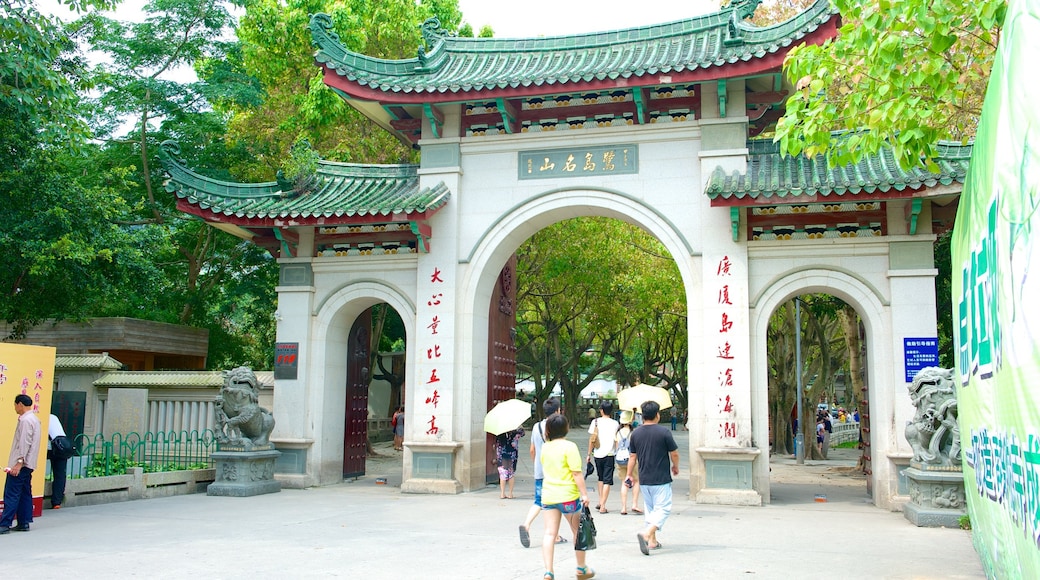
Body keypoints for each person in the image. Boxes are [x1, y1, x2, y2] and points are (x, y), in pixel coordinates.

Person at [539, 414, 594, 580]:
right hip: (568, 496)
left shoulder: (545, 447)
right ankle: (581, 568)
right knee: (578, 532)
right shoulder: (570, 447)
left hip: (549, 495)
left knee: (549, 533)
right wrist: (584, 494)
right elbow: (576, 473)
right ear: (566, 428)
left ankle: (548, 571)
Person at [623, 400, 678, 556]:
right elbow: (674, 453)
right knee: (664, 508)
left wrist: (629, 475)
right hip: (660, 477)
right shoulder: (664, 432)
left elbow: (632, 457)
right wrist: (675, 466)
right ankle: (647, 535)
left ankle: (653, 541)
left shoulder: (636, 433)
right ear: (657, 415)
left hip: (644, 477)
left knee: (651, 509)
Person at [519, 397, 566, 548]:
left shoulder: (536, 427)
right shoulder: (558, 425)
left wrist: (536, 464)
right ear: (558, 411)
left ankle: (526, 525)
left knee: (540, 501)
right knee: (555, 503)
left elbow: (532, 450)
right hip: (555, 472)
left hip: (540, 471)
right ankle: (555, 535)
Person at [1, 394, 43, 534]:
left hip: (21, 464)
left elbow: (24, 443)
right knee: (25, 493)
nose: (14, 407)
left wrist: (18, 463)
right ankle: (24, 522)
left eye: (15, 404)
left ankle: (5, 523)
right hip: (29, 463)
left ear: (20, 404)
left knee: (11, 493)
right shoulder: (34, 419)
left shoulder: (25, 420)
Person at [586, 400, 619, 514]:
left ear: (601, 410)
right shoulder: (615, 423)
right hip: (610, 454)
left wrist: (588, 454)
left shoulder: (595, 422)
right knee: (607, 480)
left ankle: (600, 501)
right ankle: (603, 505)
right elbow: (616, 440)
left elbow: (591, 440)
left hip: (597, 454)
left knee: (600, 478)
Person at [614, 410, 642, 516]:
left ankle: (623, 507)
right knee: (636, 481)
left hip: (620, 460)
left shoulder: (618, 433)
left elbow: (616, 447)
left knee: (624, 482)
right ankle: (634, 504)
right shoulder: (634, 432)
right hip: (631, 460)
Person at [48, 413, 72, 509]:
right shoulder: (53, 417)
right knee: (60, 475)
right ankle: (57, 502)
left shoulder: (42, 417)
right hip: (63, 447)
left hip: (52, 447)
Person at [495, 427, 524, 499]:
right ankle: (510, 493)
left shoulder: (500, 431)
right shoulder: (515, 432)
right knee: (511, 473)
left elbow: (496, 442)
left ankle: (502, 493)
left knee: (502, 473)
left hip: (502, 455)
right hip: (512, 455)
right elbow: (522, 433)